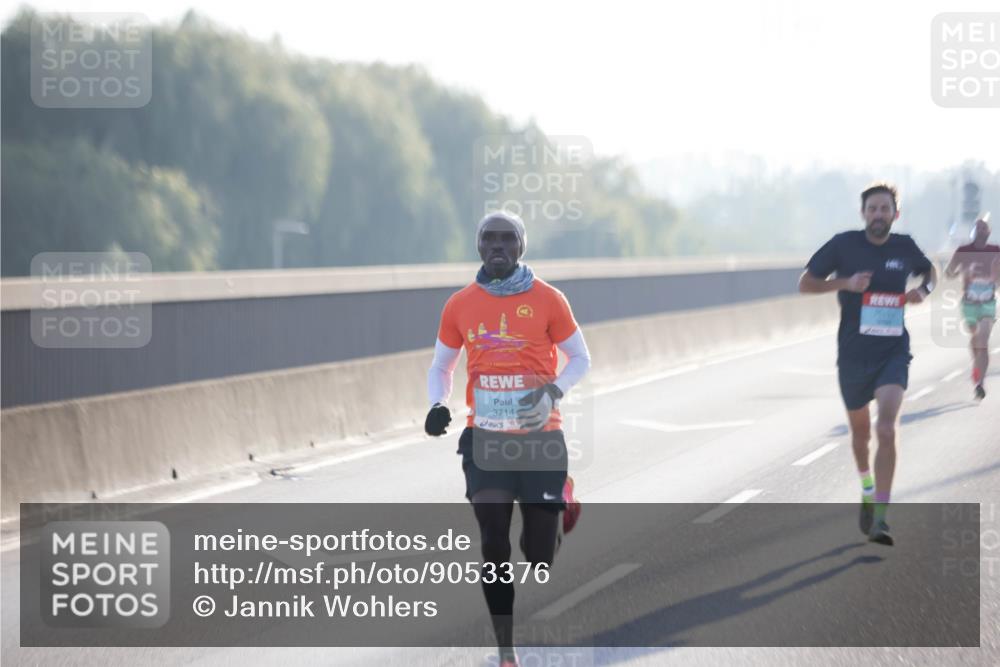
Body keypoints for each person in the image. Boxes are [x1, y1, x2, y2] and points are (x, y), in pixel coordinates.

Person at [424, 210, 591, 667]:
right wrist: (438, 404)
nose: (497, 246)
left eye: (507, 239)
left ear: (521, 247)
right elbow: (441, 366)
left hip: (540, 441)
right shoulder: (459, 304)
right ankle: (506, 650)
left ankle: (563, 498)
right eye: (489, 239)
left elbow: (581, 358)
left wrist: (552, 391)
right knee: (493, 542)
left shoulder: (548, 299)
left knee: (537, 557)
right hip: (486, 441)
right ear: (478, 247)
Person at [798, 182, 937, 546]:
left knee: (886, 429)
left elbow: (930, 272)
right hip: (853, 354)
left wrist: (922, 291)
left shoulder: (904, 247)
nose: (878, 215)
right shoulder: (844, 244)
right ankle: (866, 485)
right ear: (864, 214)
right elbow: (806, 283)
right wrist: (846, 283)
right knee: (860, 435)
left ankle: (880, 517)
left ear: (895, 214)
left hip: (892, 351)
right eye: (872, 209)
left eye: (885, 209)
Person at [944, 216, 998, 400]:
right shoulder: (963, 250)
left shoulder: (996, 250)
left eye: (984, 228)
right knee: (976, 341)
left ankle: (980, 383)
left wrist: (995, 280)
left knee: (983, 341)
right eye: (978, 228)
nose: (981, 231)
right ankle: (976, 368)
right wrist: (959, 271)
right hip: (969, 304)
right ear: (974, 232)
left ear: (989, 232)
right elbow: (949, 273)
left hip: (988, 303)